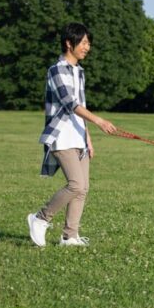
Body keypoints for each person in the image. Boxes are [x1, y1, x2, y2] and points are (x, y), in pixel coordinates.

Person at [27, 23, 117, 247]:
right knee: (76, 184)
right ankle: (40, 219)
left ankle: (70, 236)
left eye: (88, 43)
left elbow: (81, 106)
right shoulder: (56, 70)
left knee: (83, 188)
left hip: (78, 136)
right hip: (61, 136)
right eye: (84, 42)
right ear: (69, 42)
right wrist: (99, 121)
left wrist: (88, 136)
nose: (88, 47)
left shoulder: (79, 72)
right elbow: (69, 103)